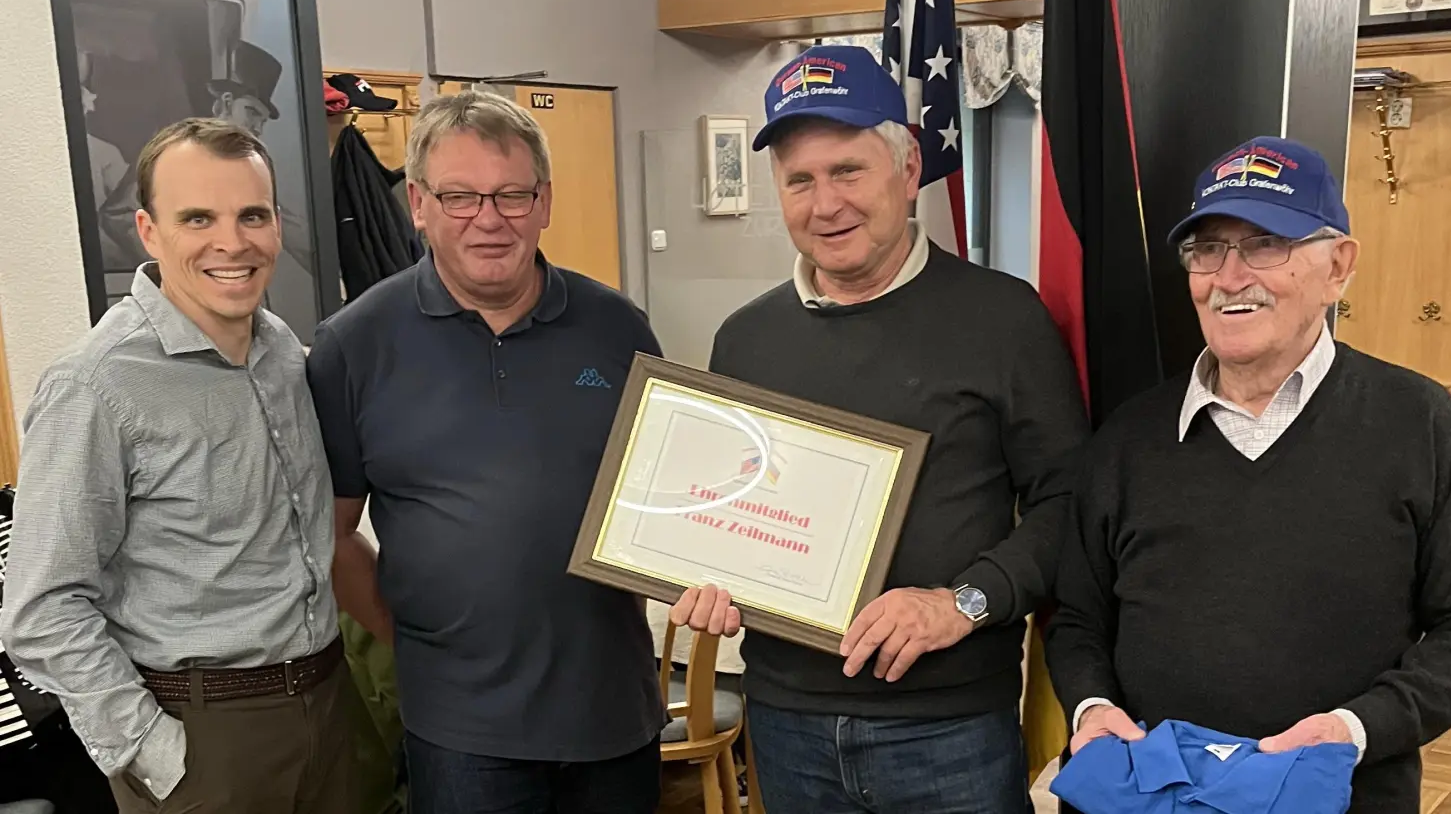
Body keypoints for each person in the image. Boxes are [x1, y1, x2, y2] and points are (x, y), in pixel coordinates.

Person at [1044, 136, 1451, 812]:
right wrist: (1092, 709)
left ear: (1339, 266)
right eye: (1207, 249)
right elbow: (1077, 618)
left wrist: (1355, 730)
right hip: (1148, 797)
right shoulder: (1128, 436)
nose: (1230, 276)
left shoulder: (1419, 421)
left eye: (1266, 243)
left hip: (1345, 797)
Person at [669, 44, 1089, 812]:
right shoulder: (744, 340)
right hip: (786, 719)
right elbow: (726, 513)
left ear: (906, 168)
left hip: (950, 727)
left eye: (847, 171)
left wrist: (961, 601)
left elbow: (1070, 508)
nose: (825, 203)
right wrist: (702, 574)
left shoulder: (1005, 320)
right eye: (800, 180)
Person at [304, 89, 666, 814]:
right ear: (419, 203)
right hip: (460, 732)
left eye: (511, 195)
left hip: (614, 713)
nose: (490, 220)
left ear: (545, 202)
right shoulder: (354, 345)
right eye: (461, 197)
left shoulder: (616, 328)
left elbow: (671, 503)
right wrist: (418, 644)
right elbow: (332, 535)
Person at [0, 117, 358, 813]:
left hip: (326, 708)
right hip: (202, 738)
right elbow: (42, 608)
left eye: (252, 215)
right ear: (149, 230)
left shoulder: (283, 350)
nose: (233, 242)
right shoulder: (96, 385)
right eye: (198, 218)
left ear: (277, 224)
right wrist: (152, 752)